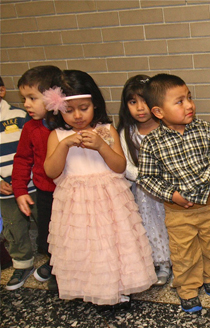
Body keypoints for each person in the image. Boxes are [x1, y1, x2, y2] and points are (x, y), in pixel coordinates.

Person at [43, 70, 157, 308]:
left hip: (108, 201)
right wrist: (64, 146)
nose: (76, 116)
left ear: (94, 103)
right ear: (58, 109)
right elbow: (51, 171)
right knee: (84, 245)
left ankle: (117, 285)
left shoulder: (106, 130)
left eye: (83, 108)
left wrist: (101, 146)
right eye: (68, 110)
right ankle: (89, 287)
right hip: (76, 205)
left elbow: (119, 167)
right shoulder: (57, 135)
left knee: (112, 243)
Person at [137, 74, 210, 314]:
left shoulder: (205, 129)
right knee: (184, 253)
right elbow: (146, 178)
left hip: (209, 206)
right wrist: (173, 195)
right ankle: (188, 290)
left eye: (189, 97)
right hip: (178, 213)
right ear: (158, 111)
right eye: (179, 101)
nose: (189, 105)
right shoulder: (152, 143)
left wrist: (202, 184)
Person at [9, 66, 62, 291]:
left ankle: (66, 270)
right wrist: (19, 190)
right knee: (50, 234)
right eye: (24, 99)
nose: (26, 104)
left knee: (70, 233)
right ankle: (55, 264)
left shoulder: (66, 125)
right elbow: (22, 160)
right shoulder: (30, 128)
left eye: (32, 98)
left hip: (70, 193)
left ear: (53, 98)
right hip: (45, 193)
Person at [117, 75, 171, 286]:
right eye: (133, 102)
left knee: (170, 225)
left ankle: (175, 261)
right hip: (142, 191)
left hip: (167, 188)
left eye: (144, 101)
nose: (140, 108)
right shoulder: (126, 132)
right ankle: (160, 262)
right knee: (149, 225)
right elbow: (125, 164)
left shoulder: (166, 128)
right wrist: (146, 178)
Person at [0, 76, 32, 281]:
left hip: (31, 185)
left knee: (47, 224)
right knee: (14, 228)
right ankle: (22, 263)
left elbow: (32, 150)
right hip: (4, 189)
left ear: (1, 91)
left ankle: (53, 261)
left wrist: (21, 179)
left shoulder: (20, 116)